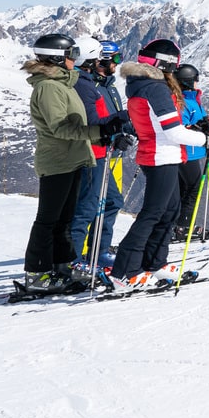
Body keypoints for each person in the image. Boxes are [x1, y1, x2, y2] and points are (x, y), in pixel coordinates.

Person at [111, 39, 209, 288]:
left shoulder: (144, 85)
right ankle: (125, 271)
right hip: (159, 156)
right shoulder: (156, 89)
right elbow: (173, 131)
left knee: (169, 211)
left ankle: (154, 263)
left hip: (165, 155)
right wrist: (207, 139)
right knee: (153, 213)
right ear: (167, 64)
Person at [20, 33, 125, 292]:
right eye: (71, 55)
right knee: (48, 220)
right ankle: (37, 273)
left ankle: (63, 265)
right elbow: (61, 128)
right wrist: (100, 132)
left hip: (74, 158)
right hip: (57, 161)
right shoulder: (48, 87)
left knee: (64, 219)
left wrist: (106, 126)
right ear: (57, 58)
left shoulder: (63, 84)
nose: (74, 60)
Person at [68, 37, 132, 272]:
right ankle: (74, 261)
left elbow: (108, 119)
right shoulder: (88, 87)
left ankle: (98, 252)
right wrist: (118, 126)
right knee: (87, 207)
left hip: (104, 151)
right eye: (114, 58)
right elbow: (93, 122)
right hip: (92, 153)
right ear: (99, 61)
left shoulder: (106, 86)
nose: (118, 63)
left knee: (112, 202)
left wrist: (124, 129)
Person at [172, 64, 209, 242]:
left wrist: (205, 124)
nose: (197, 82)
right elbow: (181, 126)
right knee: (194, 188)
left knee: (184, 189)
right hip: (187, 152)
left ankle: (177, 224)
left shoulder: (192, 99)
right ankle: (184, 227)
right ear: (188, 81)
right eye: (195, 79)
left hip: (192, 151)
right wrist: (198, 128)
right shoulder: (183, 102)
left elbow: (198, 119)